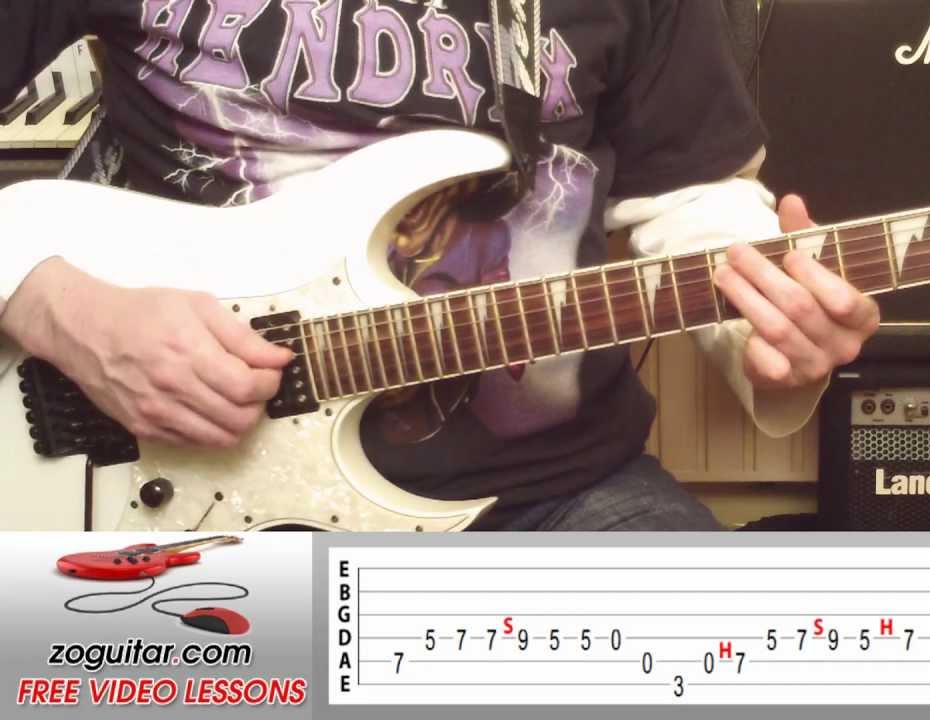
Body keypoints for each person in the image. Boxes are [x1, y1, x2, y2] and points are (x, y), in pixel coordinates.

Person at [0, 0, 879, 530]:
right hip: (165, 488)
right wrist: (54, 306)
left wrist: (765, 322)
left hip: (551, 495)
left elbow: (690, 195)